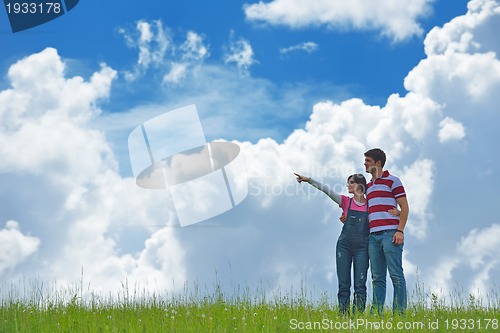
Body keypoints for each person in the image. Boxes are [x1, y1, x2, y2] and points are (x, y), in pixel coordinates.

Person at [294, 172, 369, 315]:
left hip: (362, 249)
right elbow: (326, 190)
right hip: (344, 247)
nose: (348, 185)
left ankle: (358, 317)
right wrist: (309, 180)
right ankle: (344, 317)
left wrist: (398, 212)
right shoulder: (347, 201)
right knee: (344, 284)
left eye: (351, 182)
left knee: (360, 285)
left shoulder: (371, 206)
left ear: (360, 185)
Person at [363, 148, 409, 315]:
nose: (365, 164)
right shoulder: (368, 187)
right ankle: (376, 313)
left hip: (390, 233)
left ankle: (399, 314)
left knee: (396, 276)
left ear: (378, 163)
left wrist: (400, 231)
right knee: (377, 278)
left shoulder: (393, 181)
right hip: (373, 237)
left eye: (368, 161)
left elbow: (404, 207)